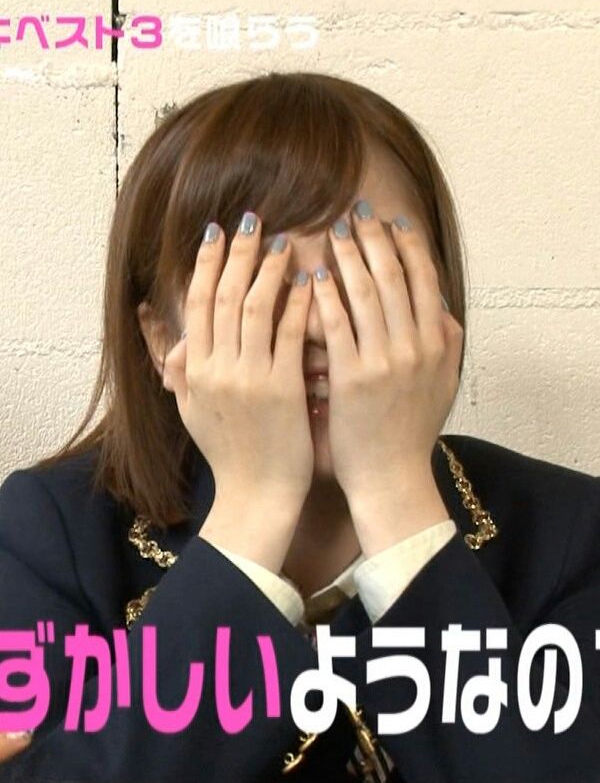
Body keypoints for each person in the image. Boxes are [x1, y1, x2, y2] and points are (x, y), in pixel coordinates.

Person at [0, 71, 598, 783]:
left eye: (365, 274)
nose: (318, 327)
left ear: (440, 309)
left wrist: (395, 495)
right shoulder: (50, 533)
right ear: (162, 340)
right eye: (257, 285)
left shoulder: (572, 532)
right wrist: (251, 512)